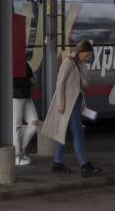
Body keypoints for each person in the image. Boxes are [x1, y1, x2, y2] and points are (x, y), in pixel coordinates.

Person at [41, 39, 103, 178]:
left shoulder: (81, 65)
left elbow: (85, 86)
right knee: (78, 132)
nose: (88, 58)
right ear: (80, 52)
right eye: (87, 55)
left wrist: (83, 76)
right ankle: (84, 165)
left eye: (89, 56)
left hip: (76, 102)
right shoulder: (68, 63)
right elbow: (60, 83)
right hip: (67, 104)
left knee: (66, 133)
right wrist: (60, 103)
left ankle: (57, 163)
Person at [13, 61, 40, 166]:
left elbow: (30, 76)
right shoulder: (10, 60)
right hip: (15, 96)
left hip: (26, 96)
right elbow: (9, 81)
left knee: (34, 123)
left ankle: (20, 150)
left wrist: (31, 80)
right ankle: (16, 155)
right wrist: (30, 82)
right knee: (16, 127)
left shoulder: (23, 61)